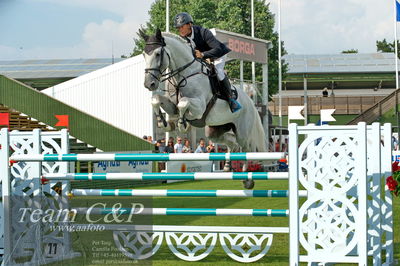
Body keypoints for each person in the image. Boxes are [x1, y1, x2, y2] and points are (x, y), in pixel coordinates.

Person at [174, 12, 241, 113]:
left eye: (182, 27)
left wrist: (203, 55)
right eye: (178, 28)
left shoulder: (203, 32)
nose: (180, 30)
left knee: (218, 71)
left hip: (218, 55)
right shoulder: (183, 38)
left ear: (189, 24)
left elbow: (217, 49)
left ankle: (230, 99)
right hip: (203, 57)